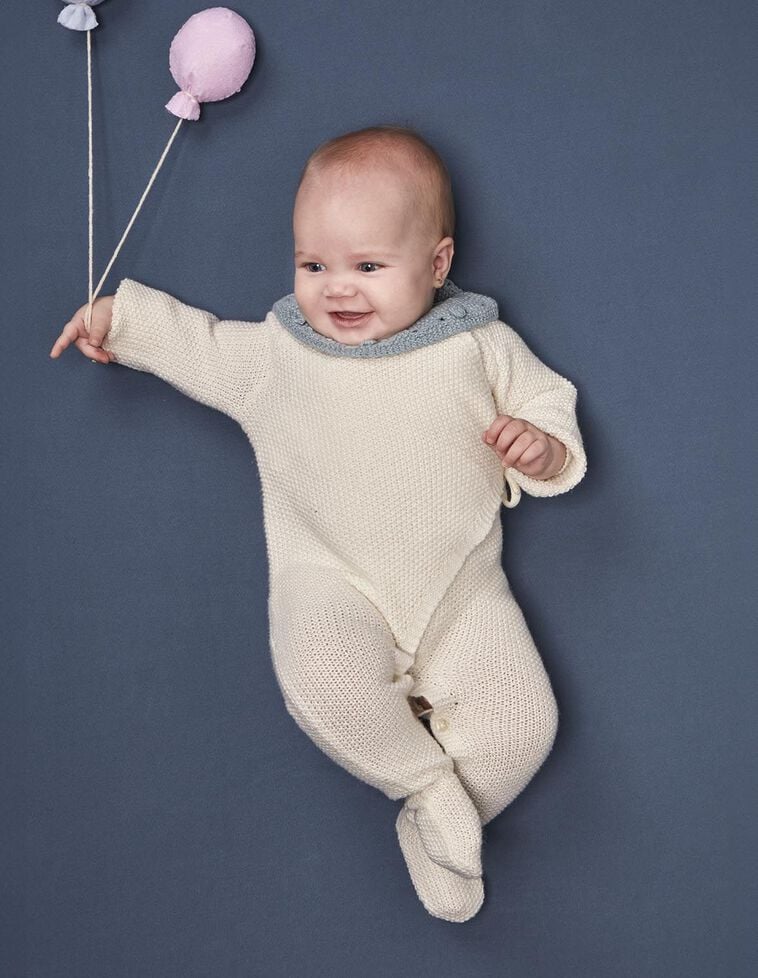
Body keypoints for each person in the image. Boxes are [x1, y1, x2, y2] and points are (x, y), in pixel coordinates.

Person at [49, 124, 587, 923]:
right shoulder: (280, 355)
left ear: (437, 264)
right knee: (322, 678)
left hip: (459, 590)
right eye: (313, 266)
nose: (338, 289)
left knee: (524, 722)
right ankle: (426, 786)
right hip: (331, 579)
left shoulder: (480, 346)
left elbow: (549, 406)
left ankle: (428, 823)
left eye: (369, 266)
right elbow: (198, 346)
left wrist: (541, 450)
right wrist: (118, 322)